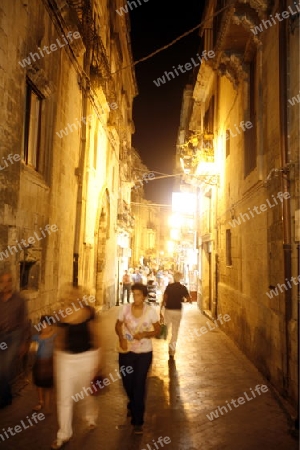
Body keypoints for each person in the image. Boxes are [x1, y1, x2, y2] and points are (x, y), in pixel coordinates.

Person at [51, 287, 103, 450]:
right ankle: (64, 434)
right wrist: (56, 360)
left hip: (87, 357)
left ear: (80, 297)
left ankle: (90, 415)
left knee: (86, 392)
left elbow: (97, 336)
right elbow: (58, 338)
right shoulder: (61, 314)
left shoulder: (89, 312)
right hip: (66, 359)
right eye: (69, 294)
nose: (72, 297)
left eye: (75, 294)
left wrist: (100, 362)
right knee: (64, 398)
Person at [115, 283, 160, 434]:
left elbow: (158, 329)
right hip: (126, 351)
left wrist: (146, 334)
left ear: (144, 296)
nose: (135, 297)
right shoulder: (125, 309)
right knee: (127, 381)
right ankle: (132, 403)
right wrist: (121, 337)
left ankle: (137, 422)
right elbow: (118, 324)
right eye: (134, 294)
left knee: (139, 383)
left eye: (139, 295)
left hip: (144, 353)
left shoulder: (151, 312)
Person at [0, 271, 29, 408]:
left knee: (5, 367)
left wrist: (24, 343)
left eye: (9, 281)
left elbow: (24, 322)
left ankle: (4, 398)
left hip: (14, 336)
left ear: (12, 282)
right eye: (3, 281)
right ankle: (6, 395)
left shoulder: (19, 300)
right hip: (2, 336)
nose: (6, 284)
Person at [160, 272, 192, 359]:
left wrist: (161, 309)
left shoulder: (169, 287)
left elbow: (164, 298)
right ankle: (172, 350)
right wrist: (182, 300)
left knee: (167, 327)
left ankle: (166, 338)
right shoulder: (183, 288)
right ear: (180, 278)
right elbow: (189, 299)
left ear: (174, 278)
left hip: (168, 310)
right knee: (175, 331)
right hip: (177, 310)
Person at [32, 315, 56, 413]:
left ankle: (47, 404)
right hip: (39, 363)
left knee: (49, 385)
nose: (44, 327)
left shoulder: (54, 336)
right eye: (42, 325)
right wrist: (32, 347)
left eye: (47, 325)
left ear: (51, 326)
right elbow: (33, 349)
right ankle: (41, 402)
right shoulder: (36, 338)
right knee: (39, 384)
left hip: (50, 364)